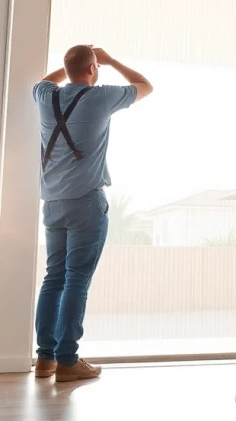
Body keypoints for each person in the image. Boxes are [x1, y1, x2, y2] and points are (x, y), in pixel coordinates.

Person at [31, 45, 153, 382]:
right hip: (85, 201)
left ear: (68, 68)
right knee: (76, 280)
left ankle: (45, 359)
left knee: (53, 277)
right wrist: (111, 60)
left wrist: (70, 67)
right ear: (93, 69)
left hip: (52, 202)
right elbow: (145, 85)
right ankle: (68, 360)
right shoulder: (100, 97)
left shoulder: (45, 96)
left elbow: (45, 80)